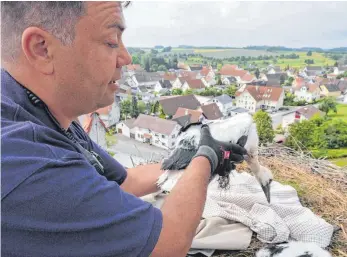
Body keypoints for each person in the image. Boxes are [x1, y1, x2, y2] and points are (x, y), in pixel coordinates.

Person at [1, 2, 246, 256]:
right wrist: (205, 160)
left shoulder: (43, 112)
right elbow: (167, 243)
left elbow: (127, 181)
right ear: (41, 49)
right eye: (110, 41)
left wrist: (188, 156)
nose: (126, 58)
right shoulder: (24, 160)